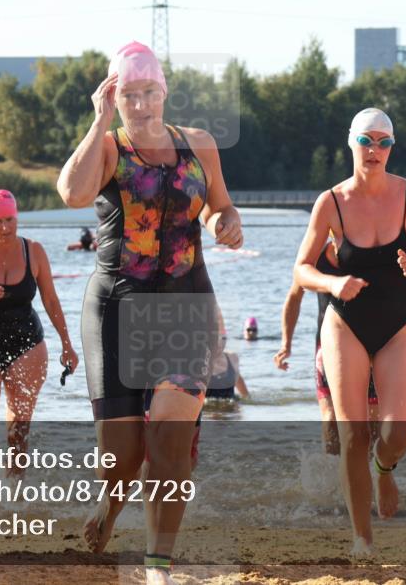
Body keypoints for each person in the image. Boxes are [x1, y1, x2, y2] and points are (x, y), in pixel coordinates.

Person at [57, 41, 243, 584]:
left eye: (148, 93)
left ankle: (158, 567)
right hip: (117, 307)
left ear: (165, 91)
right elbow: (71, 193)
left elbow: (218, 204)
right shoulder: (109, 148)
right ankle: (110, 507)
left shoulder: (199, 146)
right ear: (116, 96)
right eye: (128, 95)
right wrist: (99, 121)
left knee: (170, 442)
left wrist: (225, 223)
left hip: (187, 307)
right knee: (122, 460)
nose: (140, 105)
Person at [292, 108, 406, 557]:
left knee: (398, 433)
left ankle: (385, 467)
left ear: (392, 147)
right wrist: (334, 282)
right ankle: (363, 539)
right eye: (366, 141)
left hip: (398, 322)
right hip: (346, 322)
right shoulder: (332, 202)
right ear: (351, 143)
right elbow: (300, 269)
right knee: (354, 434)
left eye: (383, 142)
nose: (375, 150)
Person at [0, 189, 79, 483]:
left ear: (17, 217)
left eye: (11, 220)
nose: (6, 228)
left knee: (19, 429)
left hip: (27, 344)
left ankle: (16, 496)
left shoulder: (34, 250)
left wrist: (67, 345)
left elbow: (50, 299)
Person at [275, 240, 379, 455]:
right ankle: (332, 477)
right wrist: (286, 343)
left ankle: (373, 476)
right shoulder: (316, 256)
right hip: (328, 345)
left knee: (372, 421)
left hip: (371, 345)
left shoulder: (373, 250)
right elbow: (294, 296)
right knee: (331, 417)